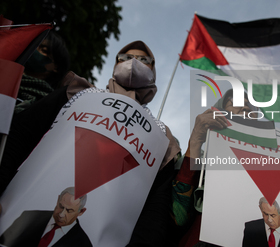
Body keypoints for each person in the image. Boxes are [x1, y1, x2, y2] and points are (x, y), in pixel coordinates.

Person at [0, 41, 180, 246]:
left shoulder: (162, 137)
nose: (133, 63)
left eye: (143, 60)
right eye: (125, 58)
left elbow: (155, 209)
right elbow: (23, 133)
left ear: (153, 70)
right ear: (115, 64)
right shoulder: (77, 93)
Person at [173, 89, 280, 247]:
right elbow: (178, 217)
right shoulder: (198, 157)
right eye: (235, 103)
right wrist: (195, 141)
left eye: (251, 106)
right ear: (218, 111)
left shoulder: (279, 161)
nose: (246, 107)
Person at [0, 187, 92, 247]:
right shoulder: (29, 216)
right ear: (58, 199)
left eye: (69, 210)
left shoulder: (83, 243)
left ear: (81, 211)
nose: (61, 214)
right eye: (61, 206)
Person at [15, 30, 70, 114]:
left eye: (44, 50)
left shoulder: (49, 106)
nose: (35, 51)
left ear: (56, 67)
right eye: (34, 46)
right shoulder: (5, 80)